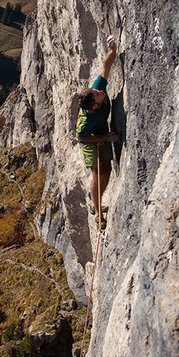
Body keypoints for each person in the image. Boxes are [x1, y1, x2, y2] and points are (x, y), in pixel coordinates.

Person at [75, 36, 118, 229]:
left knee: (107, 169)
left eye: (97, 90)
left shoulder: (96, 90)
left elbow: (105, 67)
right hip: (88, 139)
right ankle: (98, 212)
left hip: (100, 131)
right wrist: (101, 138)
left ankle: (95, 201)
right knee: (96, 173)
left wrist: (113, 50)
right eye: (98, 94)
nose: (100, 91)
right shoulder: (85, 121)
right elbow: (80, 137)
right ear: (95, 105)